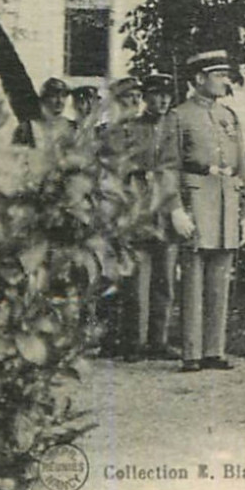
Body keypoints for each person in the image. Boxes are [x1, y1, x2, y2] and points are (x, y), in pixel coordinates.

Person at [160, 51, 245, 372]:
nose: (225, 80)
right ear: (199, 79)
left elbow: (242, 166)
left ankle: (214, 350)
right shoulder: (178, 116)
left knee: (219, 281)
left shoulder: (228, 115)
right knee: (192, 281)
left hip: (227, 205)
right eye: (218, 74)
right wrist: (175, 210)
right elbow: (167, 169)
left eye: (226, 74)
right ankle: (192, 353)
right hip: (195, 205)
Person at [107, 75, 181, 360]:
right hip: (138, 215)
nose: (162, 100)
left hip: (165, 214)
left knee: (165, 282)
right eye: (156, 95)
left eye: (166, 95)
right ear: (145, 98)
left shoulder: (173, 127)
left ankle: (158, 341)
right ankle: (132, 342)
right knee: (136, 285)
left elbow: (176, 168)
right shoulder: (129, 129)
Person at [12, 77, 74, 146]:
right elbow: (15, 155)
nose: (60, 101)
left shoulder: (72, 127)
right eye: (53, 96)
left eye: (63, 96)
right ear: (43, 99)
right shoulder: (27, 128)